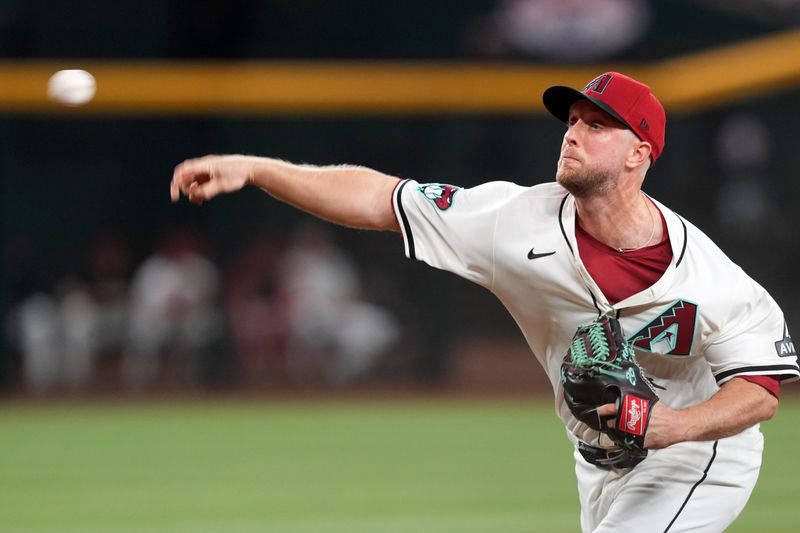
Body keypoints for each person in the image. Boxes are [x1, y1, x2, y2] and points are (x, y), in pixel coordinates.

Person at [170, 72, 799, 532]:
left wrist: (673, 426)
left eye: (597, 125)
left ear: (639, 154)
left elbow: (762, 390)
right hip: (598, 462)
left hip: (697, 456)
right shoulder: (512, 219)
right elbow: (379, 198)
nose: (573, 134)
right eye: (573, 121)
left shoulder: (710, 276)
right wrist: (256, 168)